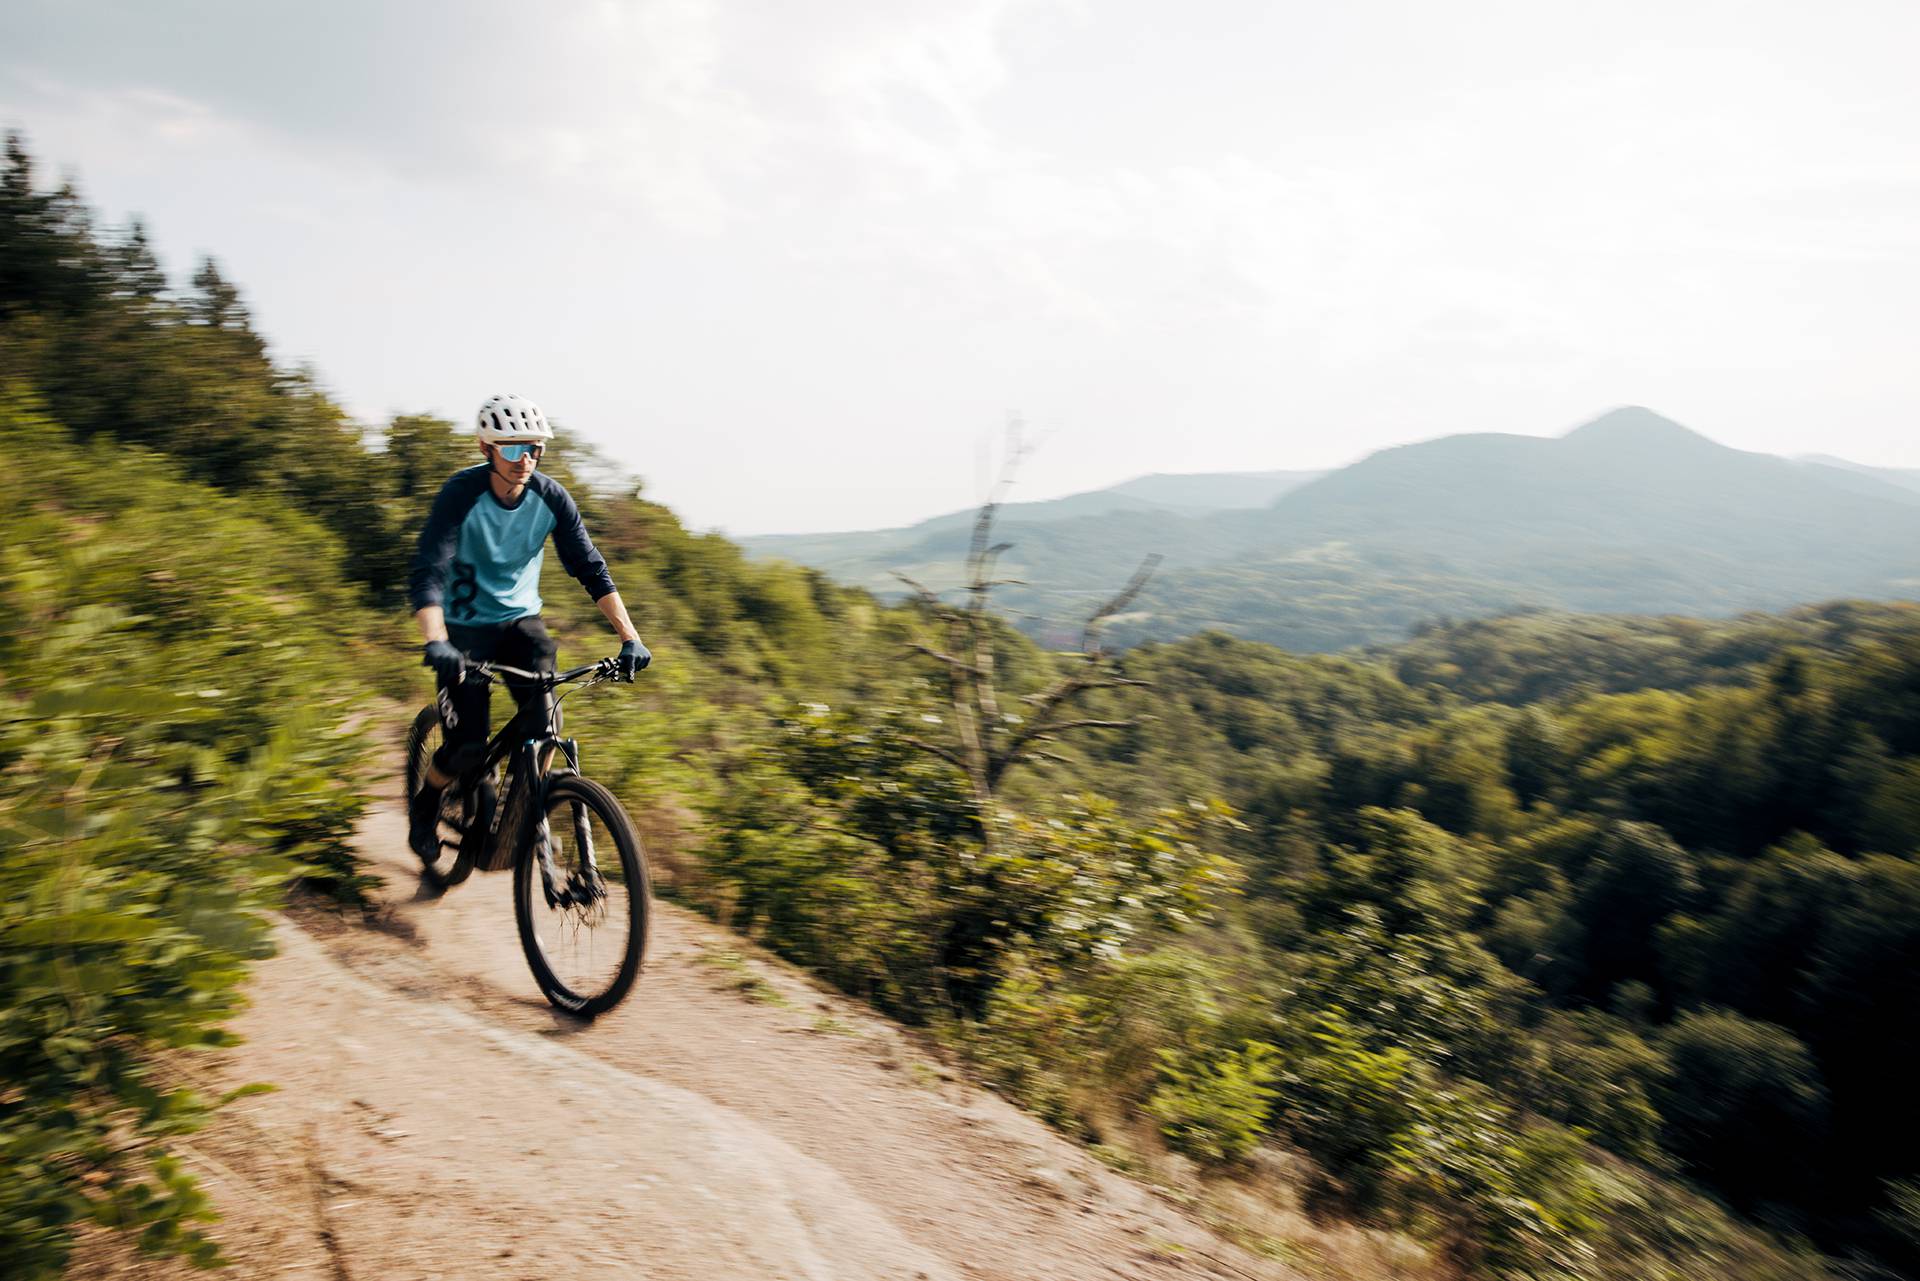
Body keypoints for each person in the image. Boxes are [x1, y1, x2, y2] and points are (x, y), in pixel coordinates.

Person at [407, 393, 649, 857]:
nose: (526, 460)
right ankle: (428, 802)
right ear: (486, 449)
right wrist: (436, 640)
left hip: (520, 623)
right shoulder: (461, 494)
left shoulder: (550, 497)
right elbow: (428, 572)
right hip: (460, 629)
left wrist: (630, 637)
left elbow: (590, 568)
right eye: (514, 449)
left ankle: (523, 815)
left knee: (545, 726)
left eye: (535, 448)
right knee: (466, 749)